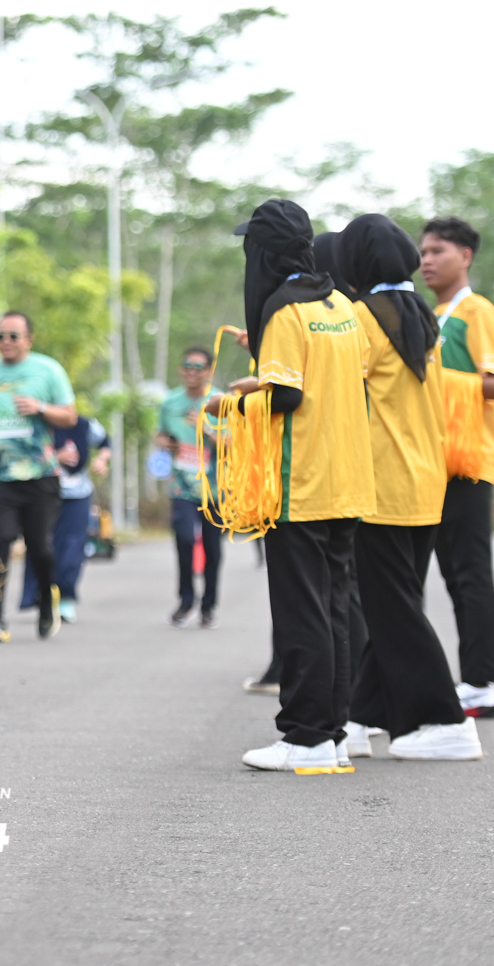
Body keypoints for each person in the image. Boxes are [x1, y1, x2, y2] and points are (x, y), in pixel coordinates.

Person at [223, 199, 375, 773]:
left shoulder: (284, 311)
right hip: (346, 480)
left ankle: (305, 736)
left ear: (262, 253)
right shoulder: (342, 305)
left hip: (300, 484)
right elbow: (343, 376)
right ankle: (332, 735)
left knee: (300, 615)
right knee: (333, 611)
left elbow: (285, 396)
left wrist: (230, 402)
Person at [333, 214, 483, 761]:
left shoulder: (362, 317)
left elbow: (333, 386)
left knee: (393, 610)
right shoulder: (420, 313)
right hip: (424, 480)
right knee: (392, 604)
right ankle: (360, 717)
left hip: (384, 483)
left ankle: (445, 720)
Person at [419, 215, 494, 720]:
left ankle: (479, 685)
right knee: (448, 577)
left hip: (468, 462)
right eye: (423, 252)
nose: (426, 260)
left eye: (438, 251)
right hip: (432, 462)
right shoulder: (431, 314)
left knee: (470, 575)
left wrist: (432, 377)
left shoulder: (477, 312)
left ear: (466, 256)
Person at [0, 311, 78, 642]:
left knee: (39, 546)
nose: (6, 342)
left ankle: (46, 601)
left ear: (29, 340)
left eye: (13, 336)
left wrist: (40, 408)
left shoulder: (48, 370)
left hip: (40, 476)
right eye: (0, 336)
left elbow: (70, 417)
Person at [21, 414, 108, 624]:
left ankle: (65, 597)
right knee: (41, 545)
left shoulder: (86, 424)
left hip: (77, 494)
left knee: (73, 547)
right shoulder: (33, 423)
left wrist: (102, 459)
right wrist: (54, 458)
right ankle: (40, 594)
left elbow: (105, 442)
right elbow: (21, 456)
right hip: (42, 492)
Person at [158, 346, 223, 628]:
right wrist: (165, 443)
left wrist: (205, 429)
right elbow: (161, 435)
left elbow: (233, 444)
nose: (192, 372)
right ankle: (186, 600)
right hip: (181, 486)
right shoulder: (170, 403)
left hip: (215, 488)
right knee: (184, 539)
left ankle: (208, 606)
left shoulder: (221, 402)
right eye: (187, 366)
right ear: (180, 369)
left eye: (198, 367)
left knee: (212, 548)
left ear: (208, 371)